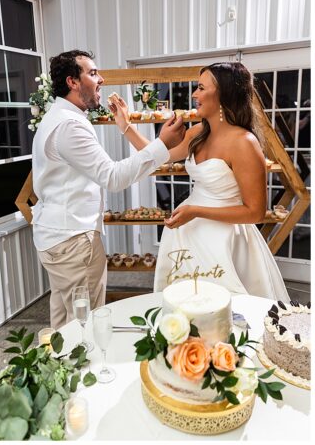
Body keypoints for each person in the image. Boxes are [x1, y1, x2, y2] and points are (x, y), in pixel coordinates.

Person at [32, 49, 186, 329]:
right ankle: (80, 369)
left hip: (59, 235)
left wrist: (125, 127)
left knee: (65, 319)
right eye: (92, 73)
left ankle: (58, 369)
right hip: (73, 241)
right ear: (72, 82)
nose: (101, 79)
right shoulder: (69, 126)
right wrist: (162, 143)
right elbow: (113, 177)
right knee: (83, 324)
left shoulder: (58, 117)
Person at [110, 62, 288, 297]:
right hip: (188, 232)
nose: (194, 94)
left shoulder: (244, 142)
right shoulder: (196, 133)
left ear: (224, 93)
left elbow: (255, 212)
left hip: (224, 240)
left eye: (202, 88)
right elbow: (154, 157)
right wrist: (126, 126)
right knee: (185, 305)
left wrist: (196, 211)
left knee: (225, 312)